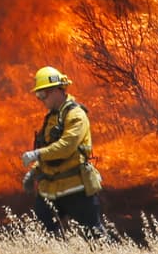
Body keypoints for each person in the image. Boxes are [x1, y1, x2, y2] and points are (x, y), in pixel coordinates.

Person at [19, 66, 106, 238]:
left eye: (43, 94)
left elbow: (67, 146)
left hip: (76, 189)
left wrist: (37, 154)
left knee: (95, 237)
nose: (40, 99)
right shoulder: (52, 117)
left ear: (57, 90)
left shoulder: (76, 115)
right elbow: (49, 152)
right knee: (43, 233)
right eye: (38, 95)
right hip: (50, 190)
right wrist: (34, 172)